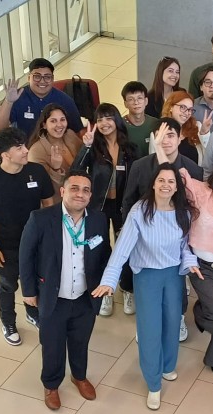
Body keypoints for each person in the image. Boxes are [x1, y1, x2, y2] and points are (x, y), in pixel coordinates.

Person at [91, 162, 203, 411]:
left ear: (177, 187)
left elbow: (185, 247)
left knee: (173, 321)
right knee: (150, 327)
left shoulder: (182, 212)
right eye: (161, 180)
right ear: (153, 183)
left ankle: (167, 365)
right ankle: (153, 383)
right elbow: (121, 250)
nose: (166, 185)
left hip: (174, 275)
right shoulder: (139, 212)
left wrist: (191, 263)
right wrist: (109, 281)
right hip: (148, 276)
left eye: (171, 182)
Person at [155, 132, 213, 374]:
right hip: (200, 265)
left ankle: (207, 332)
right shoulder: (200, 192)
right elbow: (172, 172)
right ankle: (209, 340)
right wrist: (159, 148)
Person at [19, 171, 111, 410]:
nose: (80, 194)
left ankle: (79, 377)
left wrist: (106, 283)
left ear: (90, 196)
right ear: (62, 192)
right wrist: (28, 290)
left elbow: (105, 256)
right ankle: (51, 384)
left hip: (85, 297)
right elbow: (25, 256)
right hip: (52, 297)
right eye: (74, 188)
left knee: (81, 341)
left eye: (86, 190)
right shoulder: (41, 219)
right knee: (52, 344)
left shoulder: (99, 220)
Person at [122, 119, 203, 328]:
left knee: (177, 283)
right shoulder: (140, 166)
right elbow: (129, 200)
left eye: (170, 135)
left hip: (176, 238)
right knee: (147, 285)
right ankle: (147, 323)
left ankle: (179, 317)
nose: (165, 140)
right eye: (160, 135)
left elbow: (194, 205)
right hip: (146, 240)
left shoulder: (193, 169)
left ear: (180, 137)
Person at [0, 128, 54, 345]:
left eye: (24, 145)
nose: (26, 150)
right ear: (6, 154)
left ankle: (33, 312)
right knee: (8, 284)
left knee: (36, 281)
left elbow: (48, 203)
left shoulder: (37, 172)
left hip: (36, 241)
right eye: (19, 147)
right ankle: (8, 321)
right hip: (7, 244)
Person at [73, 103, 137, 315]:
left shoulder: (129, 148)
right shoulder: (95, 147)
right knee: (99, 247)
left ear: (117, 120)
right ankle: (105, 290)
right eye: (99, 119)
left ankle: (127, 288)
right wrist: (87, 146)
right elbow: (76, 171)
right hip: (99, 206)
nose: (104, 123)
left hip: (123, 206)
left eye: (108, 118)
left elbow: (136, 179)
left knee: (124, 248)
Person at [0, 58, 83, 136]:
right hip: (26, 150)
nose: (42, 81)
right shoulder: (18, 97)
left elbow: (76, 132)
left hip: (57, 148)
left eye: (47, 77)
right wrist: (8, 101)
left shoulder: (65, 100)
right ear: (29, 78)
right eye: (37, 76)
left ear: (52, 79)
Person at [27, 103, 83, 203]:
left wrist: (88, 144)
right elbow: (42, 187)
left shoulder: (69, 134)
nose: (59, 125)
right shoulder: (36, 152)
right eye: (53, 121)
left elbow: (84, 160)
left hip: (80, 198)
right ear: (44, 125)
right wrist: (55, 169)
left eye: (62, 119)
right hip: (57, 204)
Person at [154, 90, 212, 164]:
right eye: (182, 107)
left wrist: (204, 133)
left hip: (193, 174)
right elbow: (154, 158)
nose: (187, 113)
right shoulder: (159, 129)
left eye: (190, 109)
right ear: (171, 107)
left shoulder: (197, 126)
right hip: (168, 174)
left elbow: (209, 155)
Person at [122, 81, 160, 159]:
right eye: (131, 99)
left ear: (146, 101)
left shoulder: (156, 123)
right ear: (125, 104)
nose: (136, 102)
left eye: (139, 98)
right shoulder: (120, 125)